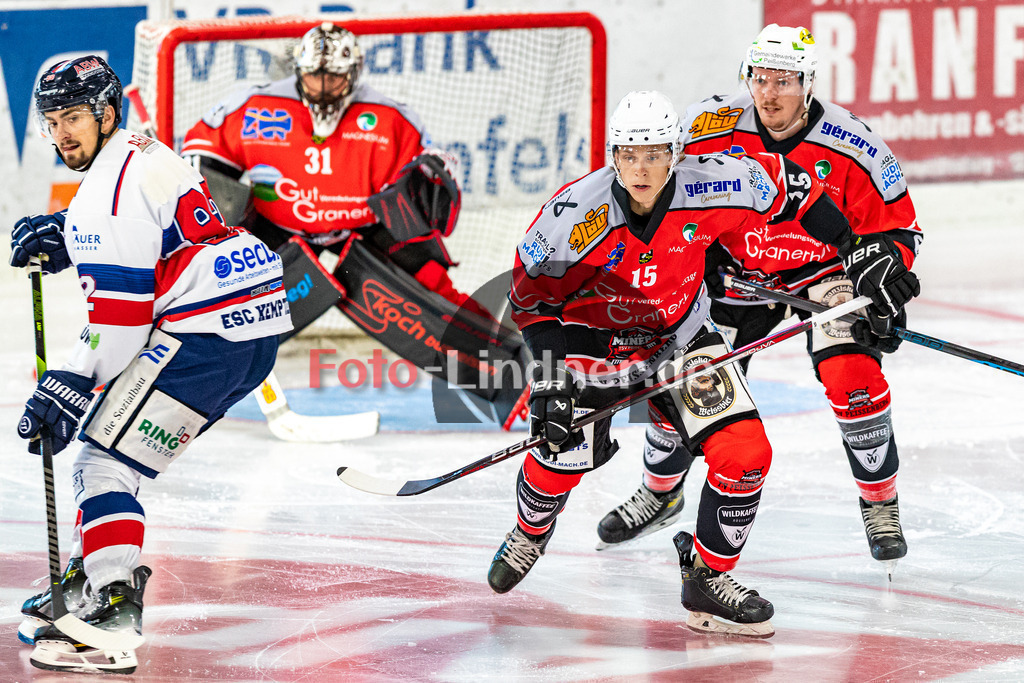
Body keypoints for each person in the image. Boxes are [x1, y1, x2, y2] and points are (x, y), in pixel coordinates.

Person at [491, 90, 918, 636]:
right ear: (611, 154)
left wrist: (855, 248)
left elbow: (798, 188)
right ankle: (531, 531)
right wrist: (551, 378)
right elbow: (532, 303)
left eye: (653, 154)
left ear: (677, 152)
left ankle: (707, 581)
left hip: (680, 339)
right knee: (562, 452)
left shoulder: (716, 180)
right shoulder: (573, 213)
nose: (639, 169)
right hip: (592, 341)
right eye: (627, 154)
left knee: (746, 455)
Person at [596, 25, 922, 574]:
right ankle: (661, 491)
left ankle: (880, 502)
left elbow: (900, 232)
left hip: (822, 277)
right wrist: (694, 263)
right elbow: (656, 199)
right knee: (686, 388)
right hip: (734, 277)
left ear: (809, 83)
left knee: (854, 377)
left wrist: (884, 268)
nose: (768, 94)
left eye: (784, 81)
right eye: (759, 78)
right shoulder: (707, 128)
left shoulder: (856, 145)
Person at [11, 55, 291, 674]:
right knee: (119, 445)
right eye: (53, 121)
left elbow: (120, 322)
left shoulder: (104, 196)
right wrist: (66, 229)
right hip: (252, 328)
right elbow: (152, 227)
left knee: (101, 459)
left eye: (75, 117)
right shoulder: (143, 150)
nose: (63, 134)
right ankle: (93, 574)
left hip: (205, 335)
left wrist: (67, 383)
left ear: (107, 113)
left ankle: (110, 612)